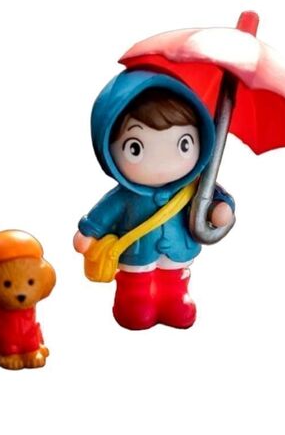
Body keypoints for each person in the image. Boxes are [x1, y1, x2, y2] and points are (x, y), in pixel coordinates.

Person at [74, 70, 234, 330]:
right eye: (135, 148)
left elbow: (214, 202)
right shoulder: (126, 196)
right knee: (135, 286)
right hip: (136, 254)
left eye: (183, 144)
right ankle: (133, 300)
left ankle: (174, 299)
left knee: (175, 279)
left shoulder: (195, 187)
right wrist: (89, 232)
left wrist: (219, 210)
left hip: (177, 252)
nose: (163, 163)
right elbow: (104, 213)